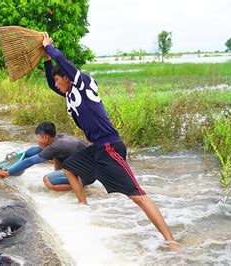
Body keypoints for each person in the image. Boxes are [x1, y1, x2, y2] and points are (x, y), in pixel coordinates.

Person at [42, 32, 182, 251]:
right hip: (95, 149)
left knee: (137, 195)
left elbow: (65, 64)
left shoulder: (83, 85)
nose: (57, 83)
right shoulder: (69, 94)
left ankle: (171, 240)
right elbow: (52, 82)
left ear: (68, 78)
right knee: (69, 166)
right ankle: (84, 206)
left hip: (109, 146)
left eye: (60, 79)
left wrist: (49, 47)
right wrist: (46, 59)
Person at [0, 122, 95, 191]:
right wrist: (22, 155)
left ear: (46, 137)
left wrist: (7, 173)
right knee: (57, 157)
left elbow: (30, 161)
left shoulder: (56, 146)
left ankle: (79, 187)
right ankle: (70, 181)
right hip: (90, 170)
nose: (36, 140)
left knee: (48, 181)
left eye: (38, 137)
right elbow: (34, 151)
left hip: (87, 175)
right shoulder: (58, 139)